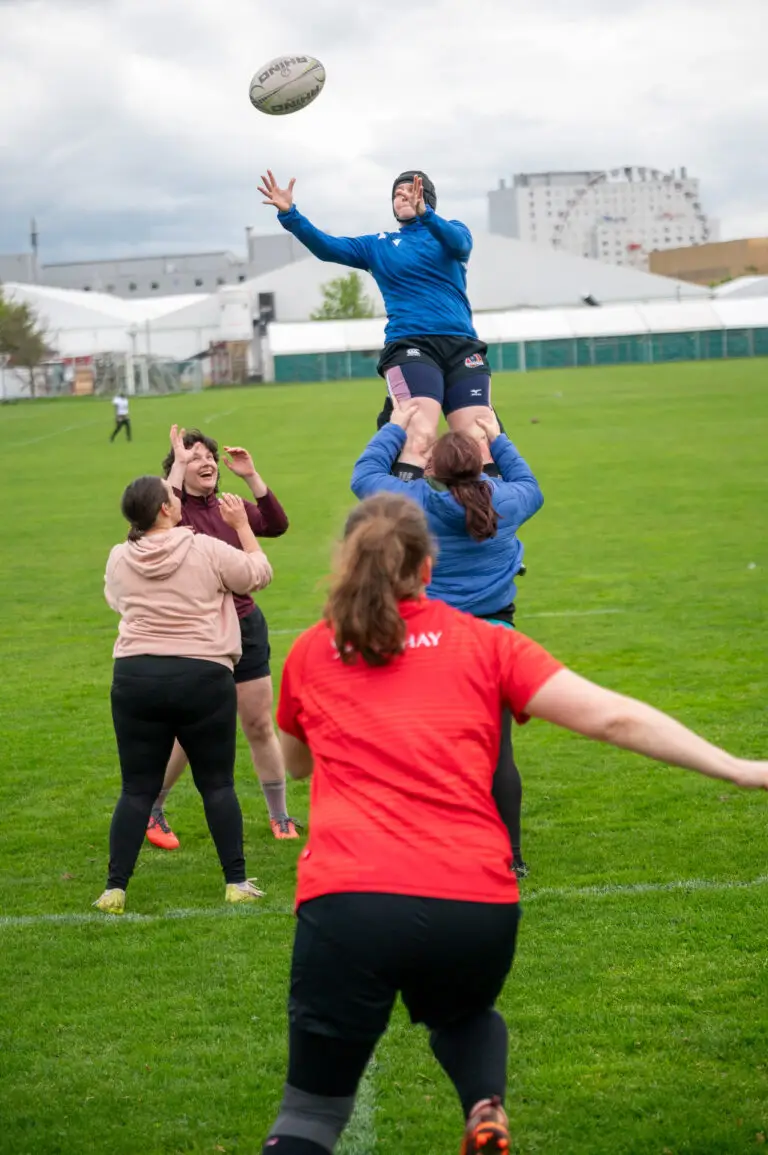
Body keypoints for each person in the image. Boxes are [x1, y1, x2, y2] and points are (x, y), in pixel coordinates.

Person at [260, 492, 768, 1155]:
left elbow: (295, 764)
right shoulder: (486, 642)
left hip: (349, 902)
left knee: (310, 1114)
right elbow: (611, 716)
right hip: (474, 905)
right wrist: (738, 767)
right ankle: (484, 1107)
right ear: (430, 566)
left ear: (347, 561)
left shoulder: (310, 652)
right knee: (463, 1010)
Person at [351, 401, 542, 876]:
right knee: (498, 755)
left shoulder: (416, 505)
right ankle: (512, 857)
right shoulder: (507, 501)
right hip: (495, 639)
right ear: (479, 465)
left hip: (430, 642)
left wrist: (397, 427)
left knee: (425, 749)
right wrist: (496, 435)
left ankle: (430, 846)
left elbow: (364, 476)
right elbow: (531, 486)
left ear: (432, 468)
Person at [96, 476, 274, 915]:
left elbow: (116, 601)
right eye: (171, 495)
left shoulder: (120, 556)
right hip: (202, 673)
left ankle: (115, 889)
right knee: (216, 784)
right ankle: (235, 881)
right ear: (164, 510)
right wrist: (242, 526)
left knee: (136, 789)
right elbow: (257, 575)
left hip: (136, 675)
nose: (178, 499)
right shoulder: (205, 548)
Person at [259, 169, 500, 480]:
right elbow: (327, 247)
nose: (402, 198)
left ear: (427, 198)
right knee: (420, 434)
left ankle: (491, 523)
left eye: (410, 192)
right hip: (412, 345)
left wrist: (426, 215)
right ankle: (408, 517)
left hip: (462, 345)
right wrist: (291, 215)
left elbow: (459, 245)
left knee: (481, 438)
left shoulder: (452, 232)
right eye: (397, 195)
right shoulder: (379, 245)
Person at [145, 425, 299, 850]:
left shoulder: (230, 507)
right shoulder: (172, 514)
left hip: (245, 624)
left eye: (209, 456)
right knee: (191, 729)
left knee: (257, 723)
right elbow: (157, 517)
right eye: (193, 457)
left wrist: (251, 477)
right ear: (178, 468)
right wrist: (176, 467)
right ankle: (153, 807)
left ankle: (280, 814)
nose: (206, 461)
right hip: (199, 630)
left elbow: (277, 523)